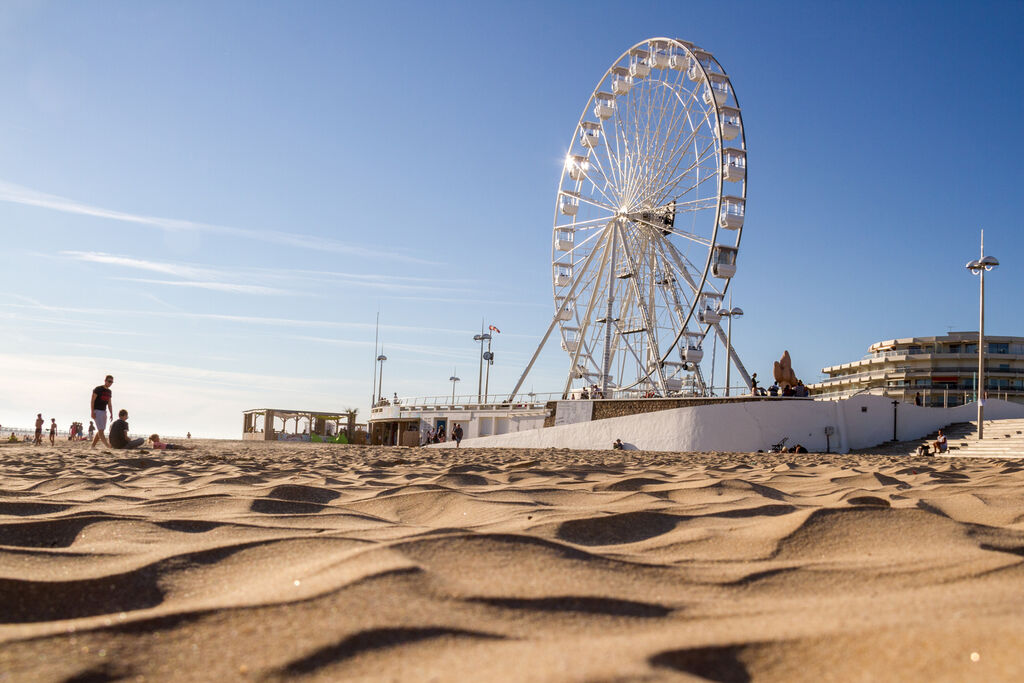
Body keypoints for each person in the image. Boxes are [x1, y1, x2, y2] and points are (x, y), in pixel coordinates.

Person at [90, 375, 114, 449]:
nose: (110, 383)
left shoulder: (109, 391)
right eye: (109, 381)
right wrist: (92, 412)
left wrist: (111, 413)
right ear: (105, 381)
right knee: (101, 430)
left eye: (112, 382)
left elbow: (109, 403)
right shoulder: (98, 389)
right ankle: (108, 446)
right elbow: (92, 401)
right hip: (97, 411)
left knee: (101, 430)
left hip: (104, 411)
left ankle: (92, 446)